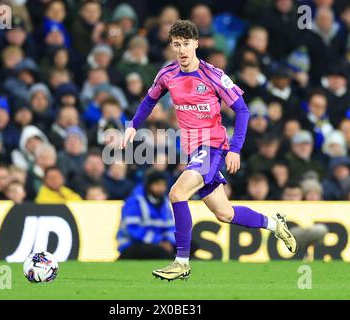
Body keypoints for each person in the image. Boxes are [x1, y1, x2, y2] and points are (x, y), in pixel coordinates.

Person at [120, 20, 297, 281]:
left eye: (186, 44)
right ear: (171, 46)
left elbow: (243, 110)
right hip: (194, 151)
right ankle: (275, 224)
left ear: (196, 44)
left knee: (177, 193)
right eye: (177, 44)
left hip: (212, 147)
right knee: (225, 213)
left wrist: (235, 149)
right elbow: (149, 100)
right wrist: (133, 125)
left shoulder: (212, 75)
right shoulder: (167, 75)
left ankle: (181, 262)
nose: (181, 50)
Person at [117, 169, 175, 260]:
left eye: (164, 185)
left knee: (189, 245)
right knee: (159, 252)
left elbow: (171, 226)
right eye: (158, 185)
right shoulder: (135, 201)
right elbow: (133, 229)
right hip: (132, 245)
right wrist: (159, 241)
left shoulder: (164, 202)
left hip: (157, 244)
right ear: (149, 185)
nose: (161, 188)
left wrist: (168, 241)